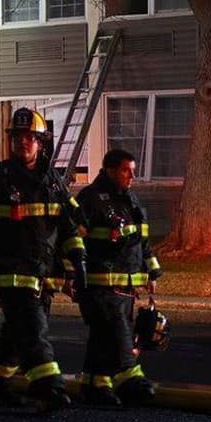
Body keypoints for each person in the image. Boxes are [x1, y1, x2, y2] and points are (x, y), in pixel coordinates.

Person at [0, 108, 86, 411]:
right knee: (33, 330)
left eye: (29, 137)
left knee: (17, 335)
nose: (22, 142)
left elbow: (68, 226)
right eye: (17, 137)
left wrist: (77, 260)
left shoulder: (53, 181)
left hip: (42, 274)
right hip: (9, 272)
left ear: (41, 142)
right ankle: (49, 387)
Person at [75, 148, 162, 406]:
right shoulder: (90, 199)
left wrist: (151, 270)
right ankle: (130, 376)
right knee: (118, 332)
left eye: (133, 170)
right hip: (100, 285)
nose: (131, 176)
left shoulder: (132, 201)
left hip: (127, 286)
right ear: (110, 170)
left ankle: (95, 385)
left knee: (102, 336)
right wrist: (72, 276)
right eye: (126, 170)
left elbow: (142, 241)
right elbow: (74, 240)